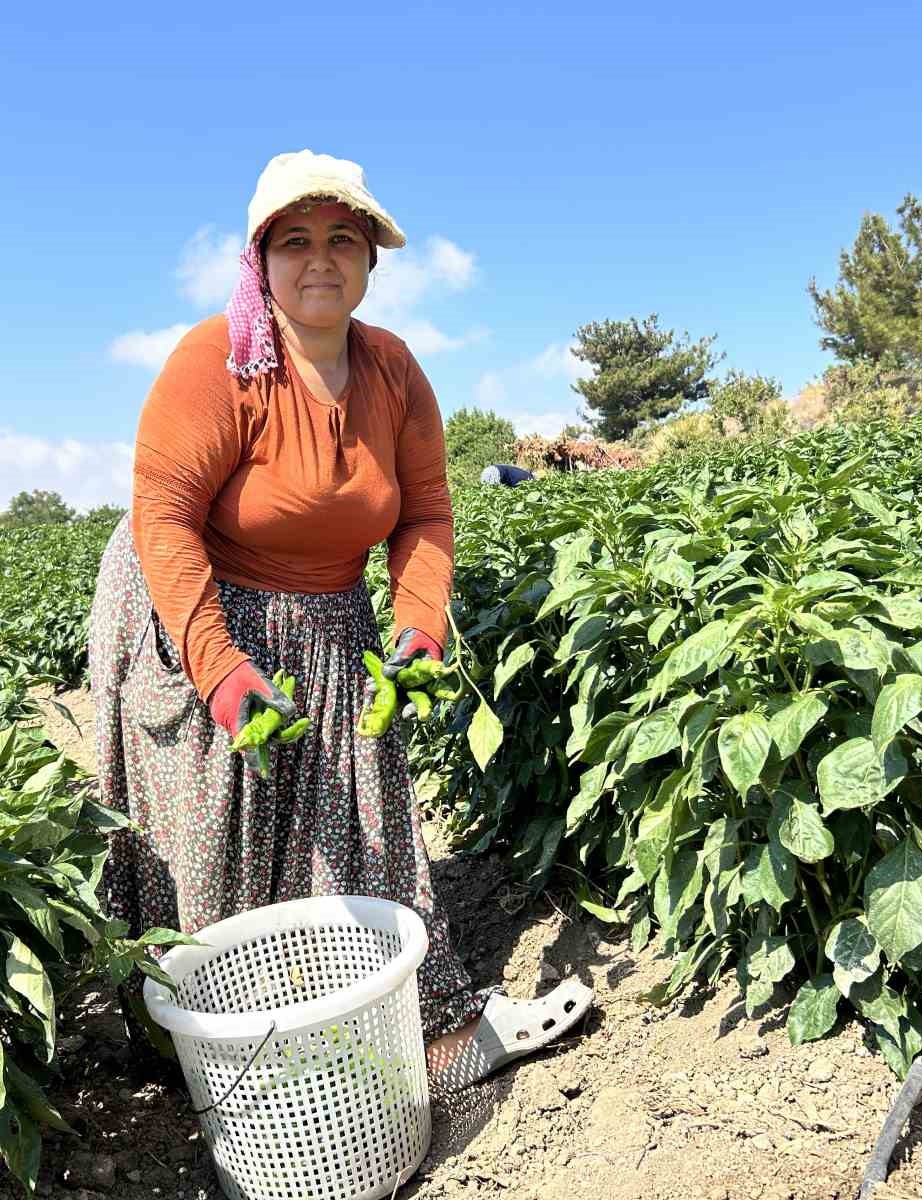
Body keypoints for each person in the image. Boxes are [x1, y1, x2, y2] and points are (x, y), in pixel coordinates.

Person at [88, 149, 591, 1092]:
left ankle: (425, 1036)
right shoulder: (217, 361)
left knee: (362, 808)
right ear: (260, 261)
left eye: (343, 240)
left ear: (369, 260)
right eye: (297, 241)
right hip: (198, 597)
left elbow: (426, 513)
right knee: (219, 821)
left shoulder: (393, 370)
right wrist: (223, 672)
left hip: (330, 611)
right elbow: (162, 519)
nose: (321, 259)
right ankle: (224, 1055)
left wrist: (419, 625)